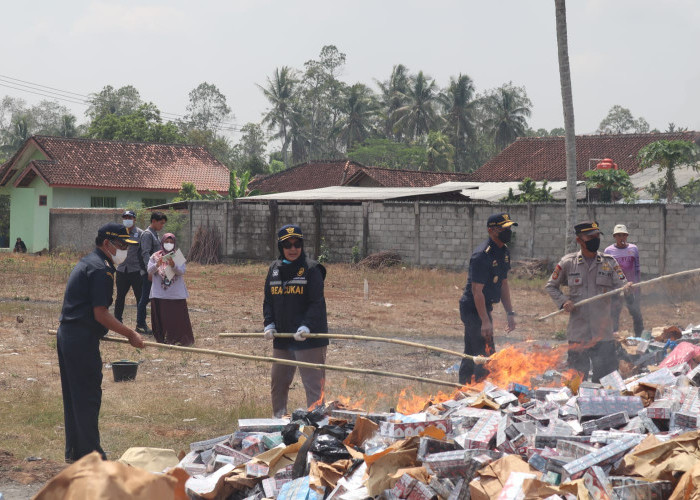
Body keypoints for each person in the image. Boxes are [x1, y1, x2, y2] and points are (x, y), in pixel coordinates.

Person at [57, 223, 145, 463]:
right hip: (80, 339)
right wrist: (130, 334)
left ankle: (77, 453)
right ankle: (92, 456)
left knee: (76, 396)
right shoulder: (100, 270)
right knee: (87, 397)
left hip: (70, 334)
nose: (125, 250)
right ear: (107, 244)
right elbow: (101, 313)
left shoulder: (90, 262)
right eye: (122, 245)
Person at [545, 221, 631, 382]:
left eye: (597, 236)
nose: (595, 239)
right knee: (577, 380)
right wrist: (563, 302)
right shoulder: (568, 263)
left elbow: (622, 284)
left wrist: (627, 287)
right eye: (590, 237)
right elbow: (551, 286)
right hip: (579, 332)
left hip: (603, 333)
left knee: (607, 380)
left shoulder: (609, 262)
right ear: (579, 240)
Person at [263, 224, 328, 418]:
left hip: (308, 337)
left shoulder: (312, 269)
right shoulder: (273, 269)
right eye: (287, 245)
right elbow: (268, 300)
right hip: (283, 337)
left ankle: (316, 426)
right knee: (278, 382)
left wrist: (306, 325)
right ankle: (278, 421)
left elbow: (316, 303)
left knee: (313, 386)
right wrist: (269, 323)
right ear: (280, 247)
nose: (293, 249)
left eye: (297, 244)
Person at [458, 213, 517, 385]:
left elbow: (504, 284)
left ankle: (463, 388)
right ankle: (482, 390)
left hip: (484, 307)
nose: (509, 231)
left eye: (510, 228)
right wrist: (485, 321)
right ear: (491, 231)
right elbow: (477, 291)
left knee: (471, 350)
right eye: (504, 229)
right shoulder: (482, 255)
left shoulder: (504, 252)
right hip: (472, 308)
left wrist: (510, 313)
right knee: (486, 353)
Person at [147, 233, 194, 346]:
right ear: (162, 242)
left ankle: (179, 339)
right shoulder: (155, 256)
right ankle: (162, 339)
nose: (169, 244)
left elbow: (181, 271)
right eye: (167, 242)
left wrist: (173, 265)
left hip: (175, 293)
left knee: (176, 318)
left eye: (171, 242)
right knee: (162, 318)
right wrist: (157, 264)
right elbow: (149, 271)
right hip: (159, 293)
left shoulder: (178, 256)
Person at [604, 224, 644, 336]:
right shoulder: (609, 251)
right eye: (618, 235)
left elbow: (637, 269)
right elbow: (606, 271)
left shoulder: (633, 249)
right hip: (615, 288)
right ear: (614, 237)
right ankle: (613, 338)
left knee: (636, 313)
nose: (621, 237)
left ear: (627, 236)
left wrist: (637, 286)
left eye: (623, 235)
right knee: (614, 314)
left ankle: (639, 337)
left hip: (631, 288)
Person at [136, 211, 167, 334]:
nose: (162, 226)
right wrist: (149, 271)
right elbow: (145, 254)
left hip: (155, 271)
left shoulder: (155, 234)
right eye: (161, 223)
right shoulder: (147, 235)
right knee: (145, 298)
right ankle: (140, 324)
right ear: (153, 221)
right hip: (149, 272)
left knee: (151, 297)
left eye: (164, 223)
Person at [113, 210, 143, 325]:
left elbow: (143, 251)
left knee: (139, 298)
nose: (127, 220)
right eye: (125, 218)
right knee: (120, 297)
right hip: (121, 269)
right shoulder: (118, 233)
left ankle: (140, 323)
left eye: (129, 218)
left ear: (134, 219)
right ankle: (117, 321)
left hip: (136, 270)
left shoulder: (140, 233)